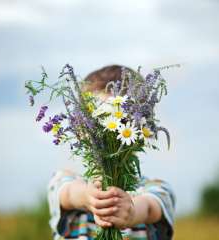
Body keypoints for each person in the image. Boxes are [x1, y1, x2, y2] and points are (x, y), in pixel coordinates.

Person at [47, 65, 176, 240]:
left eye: (122, 118)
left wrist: (130, 213)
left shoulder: (156, 189)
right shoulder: (66, 180)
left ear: (142, 124)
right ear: (80, 127)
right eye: (96, 120)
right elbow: (66, 193)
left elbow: (149, 207)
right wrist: (88, 196)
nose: (107, 131)